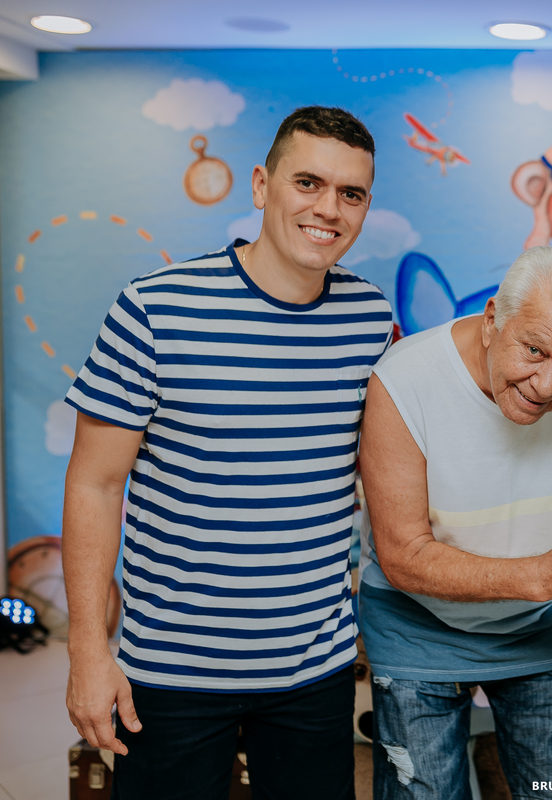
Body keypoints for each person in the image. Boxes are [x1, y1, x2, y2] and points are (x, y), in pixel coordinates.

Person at [62, 106, 391, 800]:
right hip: (169, 671)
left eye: (351, 193)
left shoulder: (370, 319)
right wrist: (88, 650)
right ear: (262, 186)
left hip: (314, 670)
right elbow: (95, 484)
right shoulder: (153, 308)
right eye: (308, 183)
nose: (328, 209)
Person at [357, 246, 552, 800]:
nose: (547, 384)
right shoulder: (404, 379)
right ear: (491, 321)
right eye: (534, 350)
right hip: (418, 627)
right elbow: (404, 557)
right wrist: (542, 576)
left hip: (543, 629)